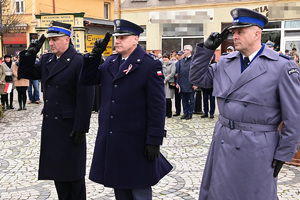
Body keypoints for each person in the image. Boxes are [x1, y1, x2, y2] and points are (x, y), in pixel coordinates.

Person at [190, 8, 300, 200]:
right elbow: (198, 78)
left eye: (240, 31)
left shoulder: (281, 66)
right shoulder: (225, 62)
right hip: (224, 140)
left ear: (257, 33)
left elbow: (294, 115)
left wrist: (285, 152)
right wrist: (206, 50)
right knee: (219, 193)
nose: (234, 36)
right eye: (233, 32)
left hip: (258, 145)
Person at [80, 19, 172, 200]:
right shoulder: (111, 62)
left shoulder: (149, 64)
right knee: (120, 189)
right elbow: (87, 79)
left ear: (136, 39)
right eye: (116, 37)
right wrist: (94, 55)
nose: (118, 41)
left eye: (122, 37)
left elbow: (157, 106)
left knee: (140, 190)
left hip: (136, 140)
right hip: (113, 138)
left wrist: (155, 139)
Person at [18, 21, 94, 200]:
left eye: (55, 39)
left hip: (70, 126)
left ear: (67, 39)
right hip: (52, 125)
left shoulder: (79, 61)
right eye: (49, 40)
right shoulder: (46, 60)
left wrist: (81, 127)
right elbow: (26, 73)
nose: (51, 43)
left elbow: (86, 97)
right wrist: (29, 54)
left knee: (74, 177)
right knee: (58, 174)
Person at [177, 45, 197, 120]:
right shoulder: (181, 61)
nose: (184, 51)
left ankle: (190, 113)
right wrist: (177, 83)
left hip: (191, 83)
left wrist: (195, 83)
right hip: (182, 83)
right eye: (184, 50)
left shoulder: (193, 60)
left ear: (189, 51)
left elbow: (196, 72)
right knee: (184, 100)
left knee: (191, 100)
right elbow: (179, 72)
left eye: (185, 50)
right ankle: (185, 113)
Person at [200, 54, 216, 119]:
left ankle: (212, 113)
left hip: (212, 86)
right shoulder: (204, 64)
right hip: (205, 85)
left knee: (212, 100)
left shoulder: (215, 64)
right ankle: (205, 112)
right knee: (205, 99)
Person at [162, 53, 176, 118]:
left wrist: (166, 79)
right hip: (162, 82)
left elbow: (173, 73)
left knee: (168, 98)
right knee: (163, 98)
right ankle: (164, 112)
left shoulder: (172, 64)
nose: (164, 59)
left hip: (169, 82)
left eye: (166, 57)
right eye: (163, 57)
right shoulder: (161, 64)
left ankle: (169, 113)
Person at [173, 50, 184, 116]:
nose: (179, 56)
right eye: (178, 55)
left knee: (185, 99)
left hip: (183, 83)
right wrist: (175, 74)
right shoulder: (176, 63)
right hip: (177, 83)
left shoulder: (185, 62)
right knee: (177, 99)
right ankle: (178, 111)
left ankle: (186, 112)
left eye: (180, 55)